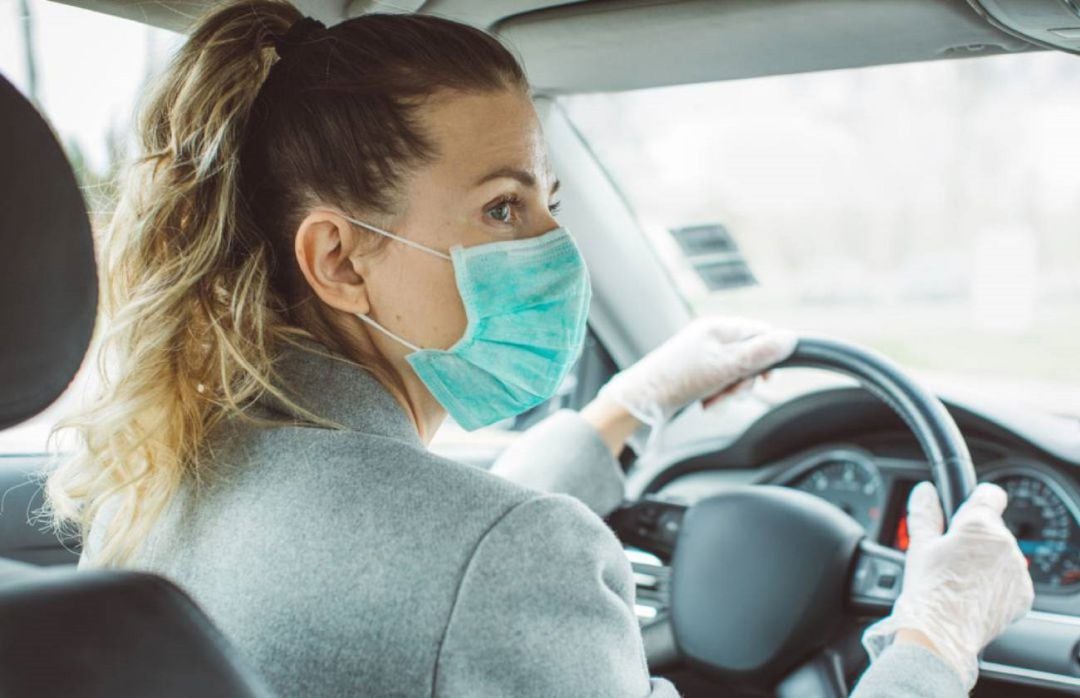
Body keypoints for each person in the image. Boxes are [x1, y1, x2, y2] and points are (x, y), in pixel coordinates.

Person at [45, 2, 1033, 696]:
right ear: (340, 259)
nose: (555, 249)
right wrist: (932, 637)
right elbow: (465, 564)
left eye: (549, 203)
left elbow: (419, 553)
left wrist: (624, 409)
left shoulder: (158, 472)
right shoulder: (517, 561)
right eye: (504, 205)